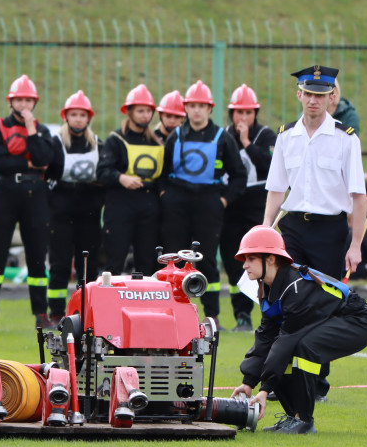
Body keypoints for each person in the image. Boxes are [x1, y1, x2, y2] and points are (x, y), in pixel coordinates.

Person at [231, 226, 367, 434]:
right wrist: (248, 382)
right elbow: (266, 335)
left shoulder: (296, 287)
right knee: (284, 349)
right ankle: (294, 418)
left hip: (357, 320)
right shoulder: (267, 286)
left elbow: (287, 339)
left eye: (251, 258)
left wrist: (264, 389)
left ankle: (303, 421)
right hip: (333, 319)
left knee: (304, 347)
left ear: (270, 259)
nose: (244, 265)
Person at [263, 65, 367, 280]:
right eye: (308, 93)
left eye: (320, 95)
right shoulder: (285, 136)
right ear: (299, 94)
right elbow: (276, 189)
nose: (313, 100)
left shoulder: (346, 139)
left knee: (324, 298)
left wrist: (355, 245)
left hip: (329, 230)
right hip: (293, 227)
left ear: (332, 97)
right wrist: (265, 230)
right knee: (288, 292)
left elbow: (358, 195)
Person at [160, 80, 247, 325]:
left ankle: (212, 315)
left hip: (209, 202)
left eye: (201, 106)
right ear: (186, 109)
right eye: (192, 106)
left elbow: (238, 174)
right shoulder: (175, 136)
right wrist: (165, 196)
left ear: (210, 109)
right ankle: (172, 313)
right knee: (173, 259)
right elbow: (163, 174)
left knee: (207, 259)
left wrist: (223, 200)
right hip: (177, 201)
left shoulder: (222, 138)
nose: (196, 110)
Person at [0, 74, 55, 329]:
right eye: (19, 99)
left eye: (28, 100)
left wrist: (31, 129)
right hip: (4, 194)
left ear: (34, 102)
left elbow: (45, 158)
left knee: (37, 256)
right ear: (10, 101)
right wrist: (27, 163)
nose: (24, 104)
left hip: (36, 195)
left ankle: (40, 314)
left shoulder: (42, 130)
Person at [219, 84, 274, 332]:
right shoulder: (222, 136)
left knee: (259, 260)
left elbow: (271, 165)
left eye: (248, 112)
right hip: (231, 203)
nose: (243, 117)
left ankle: (263, 311)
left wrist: (246, 143)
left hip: (256, 203)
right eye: (239, 112)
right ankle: (241, 313)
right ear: (231, 114)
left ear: (256, 113)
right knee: (234, 261)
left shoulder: (266, 135)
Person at [45, 90, 104, 324]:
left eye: (82, 115)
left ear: (88, 118)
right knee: (59, 265)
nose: (78, 119)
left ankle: (87, 311)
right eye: (73, 114)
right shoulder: (55, 143)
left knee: (87, 268)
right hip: (60, 214)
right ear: (65, 117)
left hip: (89, 215)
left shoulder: (98, 143)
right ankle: (56, 312)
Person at [97, 84, 164, 276]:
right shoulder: (115, 140)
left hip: (149, 206)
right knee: (114, 263)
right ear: (129, 112)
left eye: (148, 111)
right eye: (140, 111)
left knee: (147, 263)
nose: (145, 115)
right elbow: (101, 172)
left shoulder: (157, 142)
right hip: (120, 204)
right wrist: (121, 178)